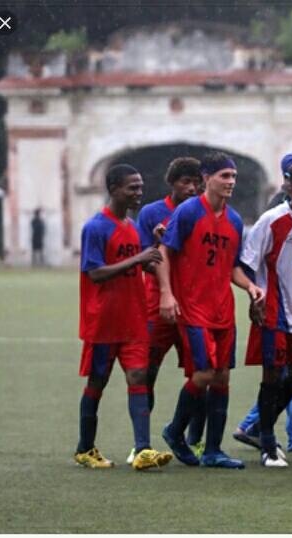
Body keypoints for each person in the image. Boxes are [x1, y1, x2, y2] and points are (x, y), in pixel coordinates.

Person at [157, 151, 265, 469]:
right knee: (203, 374)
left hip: (223, 310)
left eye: (233, 177)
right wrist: (166, 293)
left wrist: (250, 287)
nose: (230, 182)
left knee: (221, 378)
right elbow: (164, 251)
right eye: (224, 176)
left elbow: (231, 267)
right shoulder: (189, 212)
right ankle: (175, 432)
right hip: (193, 308)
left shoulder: (233, 221)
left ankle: (214, 451)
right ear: (207, 179)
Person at [74, 164, 173, 470]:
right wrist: (139, 256)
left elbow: (138, 266)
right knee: (97, 383)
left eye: (140, 186)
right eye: (132, 187)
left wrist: (153, 247)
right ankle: (85, 449)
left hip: (133, 319)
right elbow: (95, 272)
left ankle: (142, 449)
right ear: (114, 189)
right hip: (103, 321)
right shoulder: (95, 227)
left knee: (138, 377)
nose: (139, 193)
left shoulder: (131, 227)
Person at [233, 152, 292, 455]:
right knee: (271, 376)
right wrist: (253, 292)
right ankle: (268, 445)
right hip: (274, 309)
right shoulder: (271, 221)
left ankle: (260, 426)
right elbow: (245, 266)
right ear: (287, 189)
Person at [130, 157, 203, 464]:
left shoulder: (204, 211)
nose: (191, 188)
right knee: (148, 372)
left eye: (195, 182)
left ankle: (192, 440)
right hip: (157, 305)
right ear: (172, 183)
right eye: (185, 182)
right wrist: (161, 247)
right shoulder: (151, 213)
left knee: (203, 374)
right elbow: (143, 259)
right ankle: (142, 444)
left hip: (195, 306)